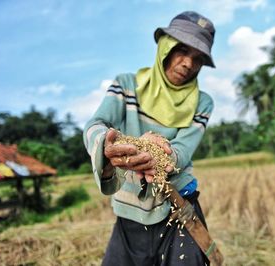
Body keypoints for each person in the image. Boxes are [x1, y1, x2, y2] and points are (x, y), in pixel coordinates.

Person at [83, 11, 216, 266]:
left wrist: (164, 154)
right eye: (182, 50)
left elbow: (183, 149)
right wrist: (107, 146)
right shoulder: (126, 86)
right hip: (130, 214)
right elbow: (95, 126)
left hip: (179, 210)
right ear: (165, 47)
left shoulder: (202, 102)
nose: (188, 63)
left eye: (197, 59)